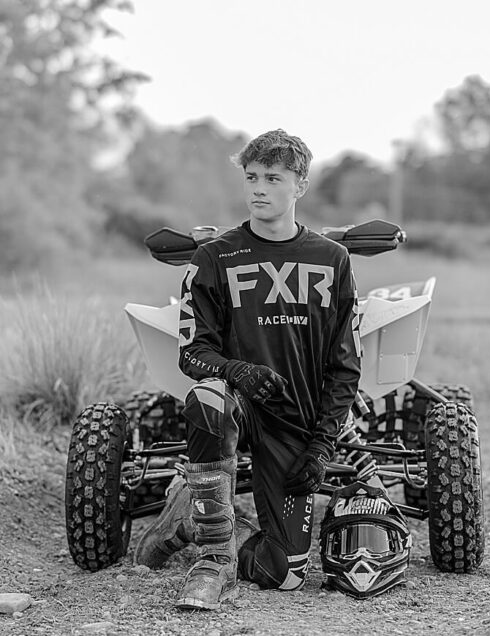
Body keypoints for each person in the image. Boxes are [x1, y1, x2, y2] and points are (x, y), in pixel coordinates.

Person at [134, 129, 401, 609]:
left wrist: (321, 446)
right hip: (236, 404)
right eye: (251, 177)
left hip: (293, 420)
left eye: (272, 178)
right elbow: (192, 354)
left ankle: (192, 520)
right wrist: (238, 371)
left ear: (299, 184)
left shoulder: (332, 259)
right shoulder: (214, 256)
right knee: (208, 399)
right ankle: (215, 561)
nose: (258, 188)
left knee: (284, 574)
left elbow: (345, 368)